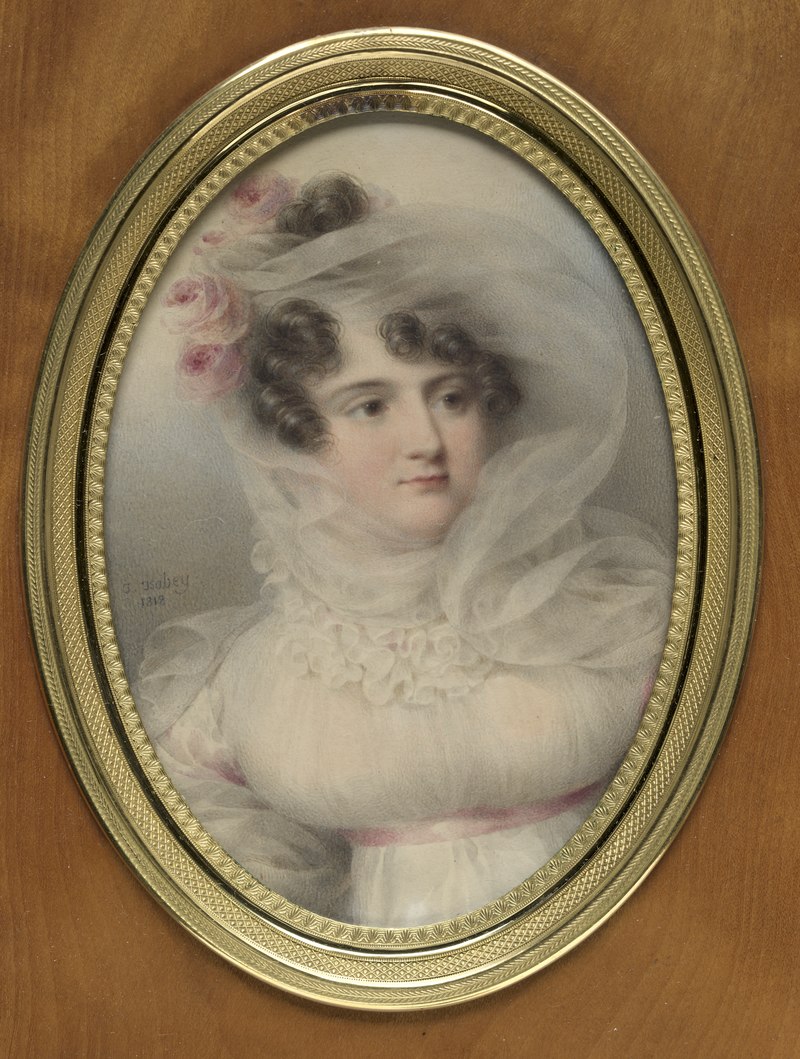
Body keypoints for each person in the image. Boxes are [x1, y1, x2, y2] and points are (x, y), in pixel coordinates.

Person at [137, 172, 675, 928]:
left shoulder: (617, 612)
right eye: (370, 405)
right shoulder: (244, 682)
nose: (425, 439)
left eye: (450, 397)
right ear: (294, 438)